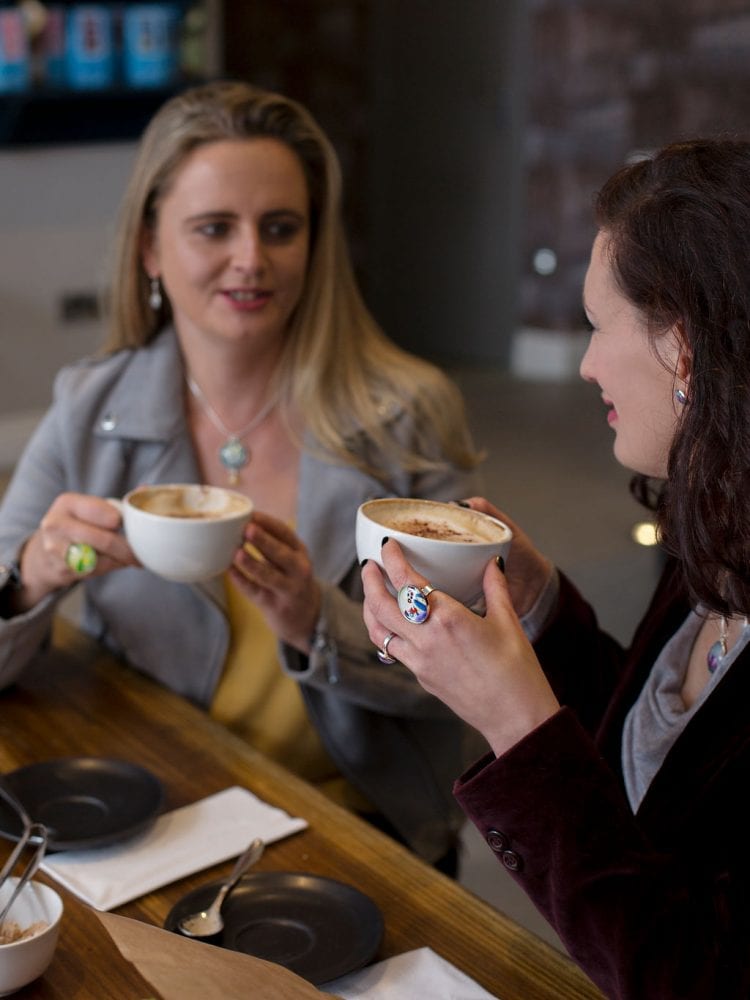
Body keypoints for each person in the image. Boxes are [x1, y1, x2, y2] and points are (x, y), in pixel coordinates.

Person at [0, 80, 485, 870]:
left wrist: (317, 624)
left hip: (359, 828)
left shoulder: (407, 414)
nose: (251, 259)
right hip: (159, 816)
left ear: (315, 243)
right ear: (151, 246)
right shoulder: (91, 407)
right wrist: (27, 578)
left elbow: (473, 669)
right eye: (214, 228)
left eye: (281, 228)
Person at [362, 137, 750, 996]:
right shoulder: (717, 537)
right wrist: (538, 613)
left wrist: (516, 727)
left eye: (595, 326)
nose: (583, 365)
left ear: (682, 347)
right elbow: (668, 771)